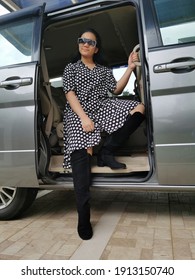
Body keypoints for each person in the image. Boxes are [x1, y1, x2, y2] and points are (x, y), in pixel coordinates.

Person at [62, 28, 145, 240]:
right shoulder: (71, 68)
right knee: (83, 152)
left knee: (139, 108)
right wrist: (83, 118)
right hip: (78, 111)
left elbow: (116, 89)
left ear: (96, 48)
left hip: (101, 107)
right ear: (78, 44)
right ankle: (83, 216)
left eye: (90, 42)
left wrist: (129, 68)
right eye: (82, 40)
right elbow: (70, 94)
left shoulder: (103, 70)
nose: (85, 44)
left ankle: (107, 151)